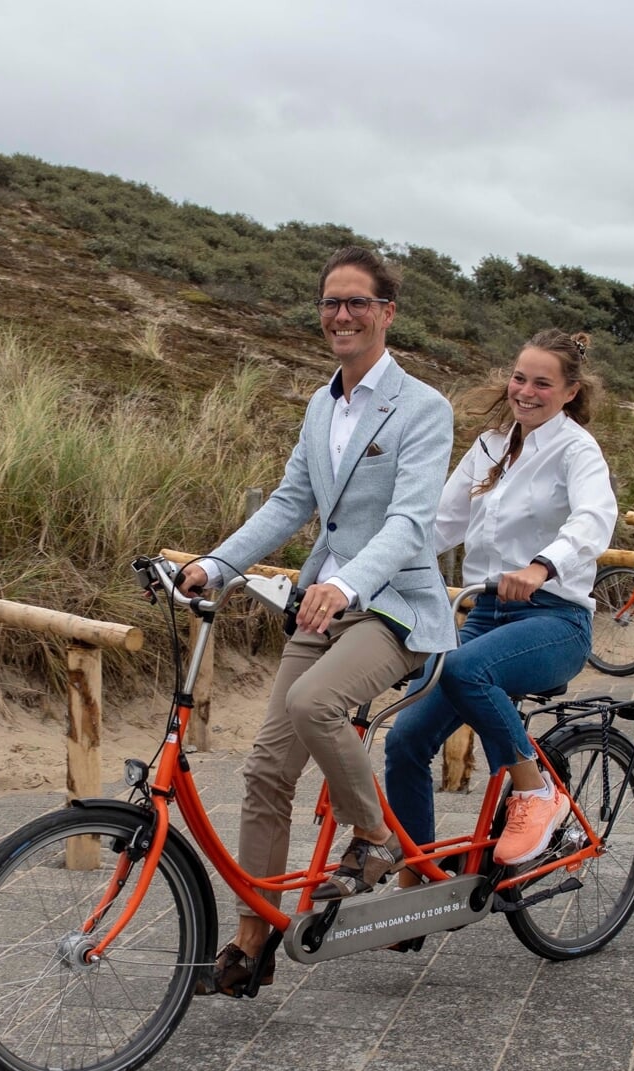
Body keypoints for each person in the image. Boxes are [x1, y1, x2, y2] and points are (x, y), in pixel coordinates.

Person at [177, 247, 455, 996]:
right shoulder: (320, 403)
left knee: (313, 702)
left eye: (357, 302)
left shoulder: (423, 408)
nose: (341, 315)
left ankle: (373, 838)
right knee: (266, 771)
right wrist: (216, 565)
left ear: (387, 312)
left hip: (393, 606)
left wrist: (346, 582)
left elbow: (409, 524)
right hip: (325, 603)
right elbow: (288, 504)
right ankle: (251, 940)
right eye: (331, 302)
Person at [382, 329, 618, 889]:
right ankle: (422, 882)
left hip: (553, 619)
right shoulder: (490, 444)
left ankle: (537, 792)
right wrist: (368, 571)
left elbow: (593, 520)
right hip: (483, 614)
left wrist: (541, 566)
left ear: (569, 392)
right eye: (519, 378)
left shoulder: (577, 449)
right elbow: (439, 524)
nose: (526, 391)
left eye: (542, 383)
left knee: (467, 669)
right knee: (404, 738)